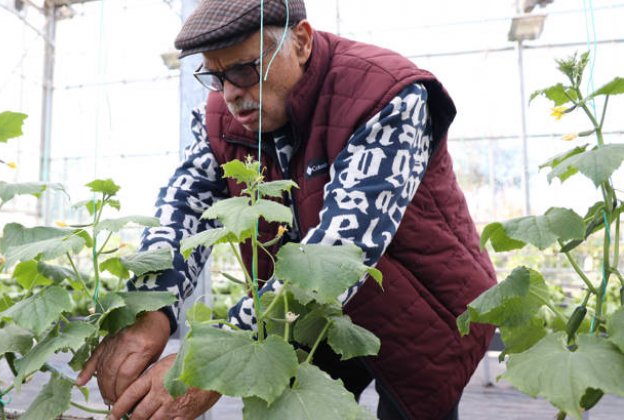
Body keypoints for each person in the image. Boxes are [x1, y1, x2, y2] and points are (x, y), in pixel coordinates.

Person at [76, 1, 497, 418]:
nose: (231, 93)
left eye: (244, 69)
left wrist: (221, 358)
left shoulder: (388, 93)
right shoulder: (222, 114)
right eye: (216, 76)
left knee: (415, 405)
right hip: (304, 313)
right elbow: (185, 203)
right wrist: (152, 305)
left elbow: (340, 248)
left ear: (301, 41)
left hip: (423, 304)